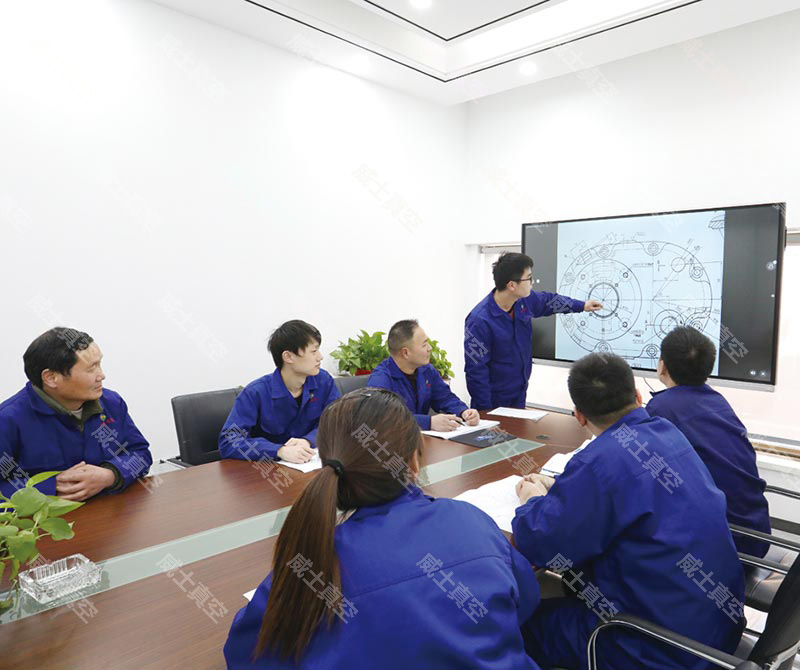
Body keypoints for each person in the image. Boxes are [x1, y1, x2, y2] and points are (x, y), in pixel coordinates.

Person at [224, 388, 542, 670]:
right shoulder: (472, 521)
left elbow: (246, 653)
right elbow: (526, 602)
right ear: (414, 463)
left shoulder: (312, 562)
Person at [513, 353, 745, 670]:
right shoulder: (667, 433)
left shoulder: (598, 462)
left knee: (515, 625)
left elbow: (543, 546)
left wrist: (531, 500)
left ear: (579, 416)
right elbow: (629, 491)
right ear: (637, 396)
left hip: (653, 647)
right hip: (717, 629)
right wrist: (562, 488)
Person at [646, 325, 771, 558]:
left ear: (662, 365)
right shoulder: (716, 399)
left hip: (723, 545)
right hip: (757, 534)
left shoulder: (661, 408)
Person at [0, 327, 152, 501]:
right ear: (51, 378)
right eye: (91, 369)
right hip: (48, 515)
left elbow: (140, 454)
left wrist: (110, 475)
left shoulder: (111, 402)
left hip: (110, 509)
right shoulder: (8, 420)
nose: (101, 375)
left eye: (99, 364)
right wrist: (50, 487)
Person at [465, 252, 602, 410]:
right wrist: (485, 413)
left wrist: (582, 305)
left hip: (519, 394)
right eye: (529, 278)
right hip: (492, 402)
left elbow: (549, 301)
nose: (532, 282)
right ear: (512, 285)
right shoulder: (479, 320)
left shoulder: (524, 301)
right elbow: (476, 370)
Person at [219, 320, 340, 464]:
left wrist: (308, 440)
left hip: (311, 464)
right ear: (288, 357)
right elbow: (229, 441)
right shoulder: (255, 393)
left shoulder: (324, 381)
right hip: (271, 470)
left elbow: (336, 422)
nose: (320, 357)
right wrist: (279, 450)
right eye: (313, 351)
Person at [368, 320, 479, 431]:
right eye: (424, 345)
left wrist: (463, 411)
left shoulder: (426, 370)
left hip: (423, 438)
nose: (430, 348)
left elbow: (445, 397)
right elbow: (384, 418)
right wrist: (428, 422)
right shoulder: (381, 379)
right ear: (405, 353)